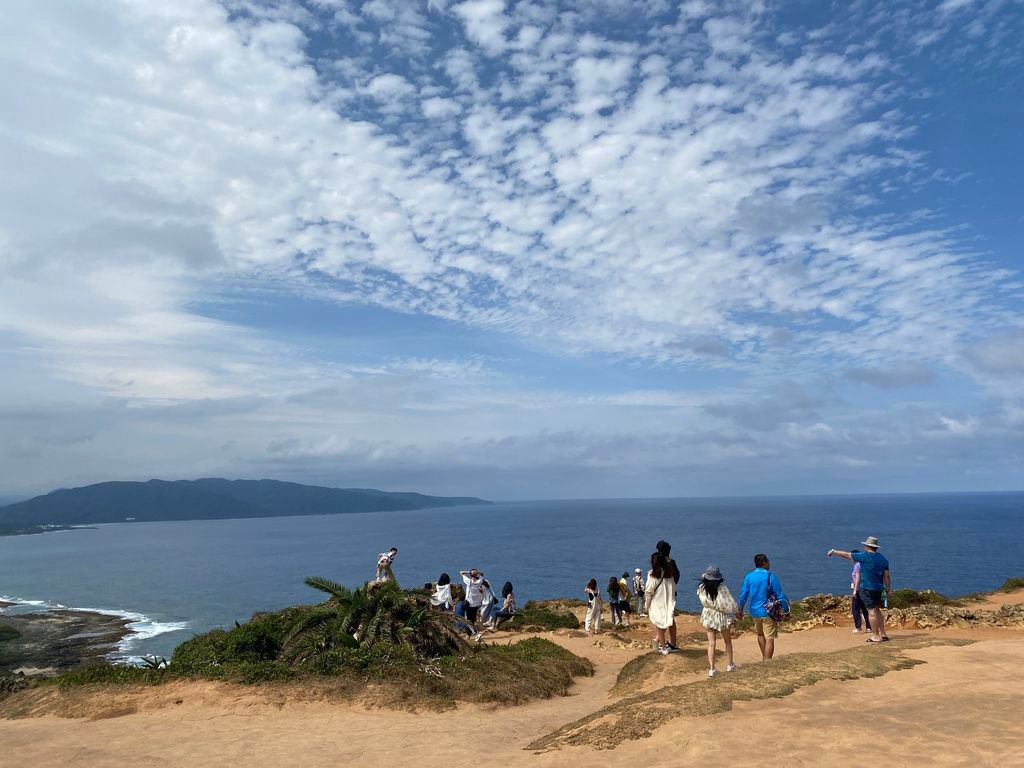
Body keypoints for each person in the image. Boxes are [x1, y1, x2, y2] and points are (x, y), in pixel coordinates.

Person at [827, 536, 891, 643]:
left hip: (866, 588)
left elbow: (846, 554)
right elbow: (887, 576)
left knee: (871, 612)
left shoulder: (863, 556)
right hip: (879, 588)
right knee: (877, 610)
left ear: (866, 546)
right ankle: (883, 634)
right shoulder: (883, 559)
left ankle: (875, 636)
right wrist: (889, 589)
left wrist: (833, 551)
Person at [736, 553, 790, 660]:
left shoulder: (749, 576)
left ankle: (764, 658)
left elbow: (744, 594)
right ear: (764, 562)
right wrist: (786, 609)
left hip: (754, 611)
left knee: (760, 635)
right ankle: (767, 661)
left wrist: (740, 608)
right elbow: (780, 594)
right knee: (769, 638)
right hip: (768, 611)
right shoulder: (771, 576)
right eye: (768, 561)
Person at [697, 565, 739, 676]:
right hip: (720, 616)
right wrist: (737, 612)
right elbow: (729, 603)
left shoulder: (702, 587)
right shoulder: (722, 588)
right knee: (727, 641)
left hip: (707, 614)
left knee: (711, 643)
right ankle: (730, 665)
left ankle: (712, 669)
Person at [645, 551, 678, 655]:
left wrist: (647, 605)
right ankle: (669, 645)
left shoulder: (652, 575)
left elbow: (649, 591)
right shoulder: (669, 573)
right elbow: (674, 588)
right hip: (668, 602)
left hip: (657, 602)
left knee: (659, 624)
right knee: (668, 622)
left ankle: (663, 648)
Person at [655, 540, 681, 650]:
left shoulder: (658, 564)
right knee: (669, 618)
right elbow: (677, 576)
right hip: (671, 594)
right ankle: (669, 643)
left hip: (659, 595)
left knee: (663, 617)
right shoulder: (672, 563)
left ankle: (659, 641)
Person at [849, 549, 871, 634]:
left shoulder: (857, 565)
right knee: (865, 608)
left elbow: (857, 578)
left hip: (859, 589)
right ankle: (869, 627)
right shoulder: (864, 564)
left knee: (855, 608)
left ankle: (858, 627)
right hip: (865, 588)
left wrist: (855, 590)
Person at [459, 568, 486, 637]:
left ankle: (470, 634)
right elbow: (482, 574)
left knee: (467, 619)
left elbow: (461, 572)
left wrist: (469, 572)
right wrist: (476, 573)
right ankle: (472, 632)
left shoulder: (468, 581)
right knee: (473, 618)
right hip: (476, 603)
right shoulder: (479, 581)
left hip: (469, 603)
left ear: (471, 575)